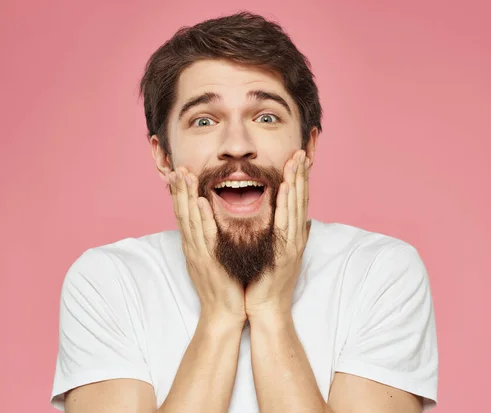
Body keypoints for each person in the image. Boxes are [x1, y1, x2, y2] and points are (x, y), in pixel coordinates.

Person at [50, 11, 438, 413]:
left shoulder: (379, 272)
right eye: (203, 120)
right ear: (164, 156)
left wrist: (271, 311)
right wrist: (220, 316)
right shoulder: (109, 281)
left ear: (309, 145)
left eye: (266, 117)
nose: (236, 145)